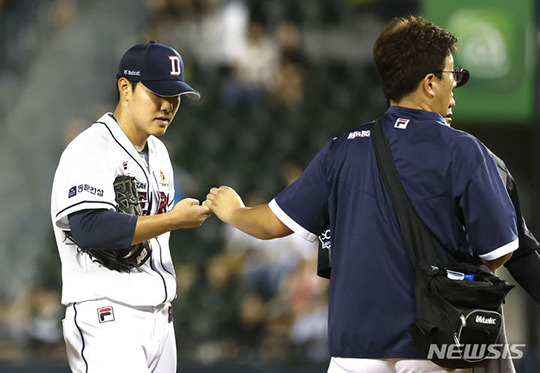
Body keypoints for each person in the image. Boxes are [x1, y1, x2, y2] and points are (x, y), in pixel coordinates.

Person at [204, 16, 519, 373]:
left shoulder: (342, 150)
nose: (456, 86)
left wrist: (232, 212)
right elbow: (500, 250)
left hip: (354, 349)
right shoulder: (464, 150)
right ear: (430, 84)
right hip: (433, 345)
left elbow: (272, 224)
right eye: (453, 75)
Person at [50, 41, 212, 372]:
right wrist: (172, 220)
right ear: (126, 87)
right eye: (158, 94)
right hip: (108, 316)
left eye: (175, 96)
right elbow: (90, 228)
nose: (168, 105)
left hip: (160, 317)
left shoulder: (160, 153)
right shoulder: (90, 148)